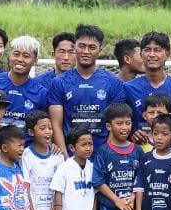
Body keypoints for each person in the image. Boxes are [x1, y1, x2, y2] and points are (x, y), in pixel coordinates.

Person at [48, 24, 127, 158]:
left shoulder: (114, 83)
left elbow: (116, 123)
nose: (86, 51)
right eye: (82, 46)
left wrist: (105, 155)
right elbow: (56, 123)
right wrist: (66, 158)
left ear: (100, 50)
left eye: (92, 47)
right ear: (75, 47)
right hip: (70, 157)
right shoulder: (58, 82)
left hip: (103, 156)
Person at [124, 32, 171, 146]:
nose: (152, 54)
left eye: (157, 50)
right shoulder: (128, 88)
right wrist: (133, 133)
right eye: (147, 50)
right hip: (139, 155)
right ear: (141, 54)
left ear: (167, 54)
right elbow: (119, 122)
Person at [0, 35, 48, 137]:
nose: (19, 59)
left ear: (35, 61)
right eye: (16, 54)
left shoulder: (41, 93)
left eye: (26, 56)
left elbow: (44, 127)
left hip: (24, 149)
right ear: (9, 56)